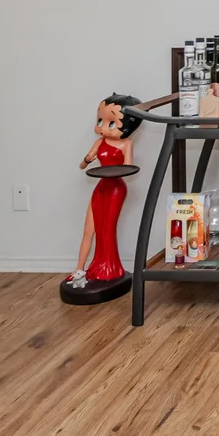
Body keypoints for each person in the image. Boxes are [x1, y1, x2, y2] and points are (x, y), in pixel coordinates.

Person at [65, 94, 141, 300]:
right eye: (100, 120)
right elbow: (82, 165)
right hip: (101, 187)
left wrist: (118, 168)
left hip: (116, 189)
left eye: (111, 123)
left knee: (107, 230)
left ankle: (109, 269)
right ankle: (79, 269)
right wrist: (87, 159)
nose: (102, 127)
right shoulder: (99, 142)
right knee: (88, 230)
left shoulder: (126, 144)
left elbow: (128, 168)